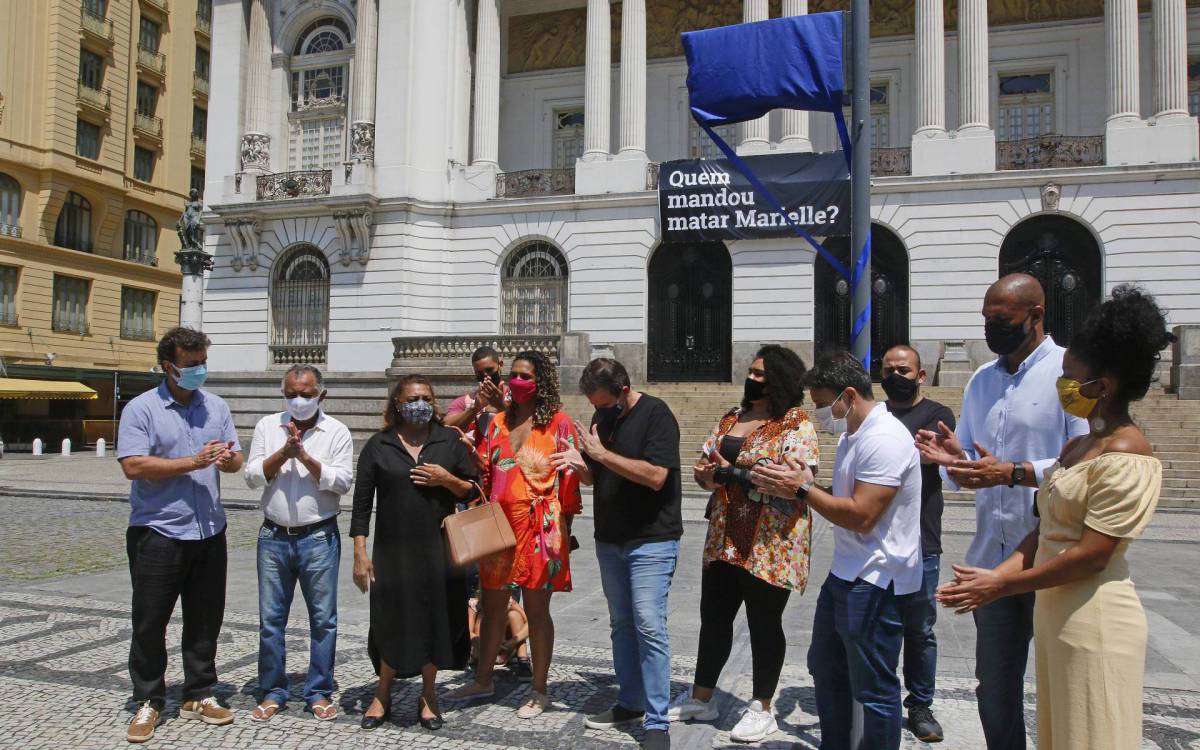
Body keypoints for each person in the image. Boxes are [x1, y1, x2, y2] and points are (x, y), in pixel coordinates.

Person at [935, 285, 1172, 750]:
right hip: (1037, 591)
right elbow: (1044, 524)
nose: (1064, 386)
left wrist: (1002, 581)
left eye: (1070, 379)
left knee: (1089, 726)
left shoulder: (1127, 452)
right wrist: (993, 576)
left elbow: (1092, 555)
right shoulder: (1074, 445)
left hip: (1089, 610)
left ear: (1101, 386)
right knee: (1042, 716)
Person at [915, 273, 1088, 750]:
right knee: (994, 688)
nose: (992, 327)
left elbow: (1088, 460)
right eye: (986, 318)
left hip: (1053, 557)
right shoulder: (981, 380)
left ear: (1035, 316)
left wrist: (1013, 472)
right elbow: (970, 470)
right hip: (991, 558)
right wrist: (953, 460)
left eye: (1002, 319)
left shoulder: (1068, 374)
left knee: (1064, 685)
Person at [751, 351, 922, 750]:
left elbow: (862, 516)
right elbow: (842, 499)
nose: (820, 415)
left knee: (874, 686)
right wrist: (797, 483)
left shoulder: (884, 439)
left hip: (878, 578)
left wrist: (802, 489)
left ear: (848, 395)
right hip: (846, 572)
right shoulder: (851, 436)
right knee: (825, 666)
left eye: (823, 405)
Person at [667, 346, 819, 744]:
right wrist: (708, 476)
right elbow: (706, 469)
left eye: (761, 374)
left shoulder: (795, 423)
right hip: (724, 535)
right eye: (751, 372)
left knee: (764, 623)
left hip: (771, 541)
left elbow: (792, 478)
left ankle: (762, 708)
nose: (752, 379)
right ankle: (702, 697)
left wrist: (731, 471)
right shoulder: (731, 418)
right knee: (714, 616)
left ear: (781, 379)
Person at [117, 327, 244, 744]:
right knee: (150, 620)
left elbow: (234, 460)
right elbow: (133, 466)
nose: (199, 371)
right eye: (191, 365)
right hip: (159, 530)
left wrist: (226, 459)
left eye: (203, 362)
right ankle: (149, 699)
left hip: (209, 528)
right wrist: (192, 461)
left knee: (206, 616)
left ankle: (199, 691)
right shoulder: (141, 408)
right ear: (167, 366)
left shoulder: (217, 406)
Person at [446, 351, 588, 720]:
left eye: (526, 375)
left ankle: (539, 690)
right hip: (500, 528)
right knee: (492, 606)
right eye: (515, 374)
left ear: (541, 382)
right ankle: (483, 679)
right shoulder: (496, 424)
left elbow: (570, 486)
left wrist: (565, 534)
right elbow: (489, 476)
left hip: (542, 531)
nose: (518, 381)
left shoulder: (559, 425)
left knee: (537, 611)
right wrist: (472, 460)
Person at [350, 374, 479, 731]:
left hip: (438, 552)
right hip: (392, 553)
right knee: (390, 619)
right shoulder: (379, 445)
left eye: (426, 397)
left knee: (434, 620)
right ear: (397, 405)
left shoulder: (448, 442)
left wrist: (446, 480)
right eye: (412, 398)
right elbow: (361, 506)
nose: (420, 403)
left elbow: (472, 491)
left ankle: (428, 695)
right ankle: (383, 692)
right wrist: (360, 552)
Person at [576, 358, 683, 750]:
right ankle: (631, 701)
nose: (599, 411)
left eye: (604, 404)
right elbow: (596, 473)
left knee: (649, 625)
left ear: (623, 390)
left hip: (652, 540)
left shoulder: (657, 415)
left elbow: (657, 477)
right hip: (610, 539)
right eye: (595, 405)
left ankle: (657, 720)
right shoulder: (602, 417)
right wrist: (580, 464)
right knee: (621, 624)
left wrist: (602, 456)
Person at [243, 365, 354, 722]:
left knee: (323, 619)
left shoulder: (336, 431)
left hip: (318, 535)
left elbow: (341, 482)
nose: (298, 400)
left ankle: (318, 689)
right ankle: (272, 689)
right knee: (271, 619)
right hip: (273, 535)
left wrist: (304, 456)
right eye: (291, 393)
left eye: (305, 394)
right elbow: (252, 476)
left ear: (321, 394)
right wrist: (284, 452)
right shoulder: (267, 426)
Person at [879, 344, 955, 743]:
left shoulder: (938, 415)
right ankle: (883, 697)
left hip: (922, 539)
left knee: (920, 627)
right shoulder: (875, 415)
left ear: (920, 375)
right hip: (877, 539)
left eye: (904, 370)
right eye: (889, 369)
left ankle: (920, 703)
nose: (896, 376)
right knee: (879, 623)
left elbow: (934, 454)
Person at [443, 345, 506, 438]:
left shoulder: (515, 396)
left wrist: (501, 406)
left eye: (490, 370)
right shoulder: (463, 402)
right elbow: (445, 427)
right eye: (480, 373)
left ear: (500, 364)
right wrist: (474, 409)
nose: (487, 376)